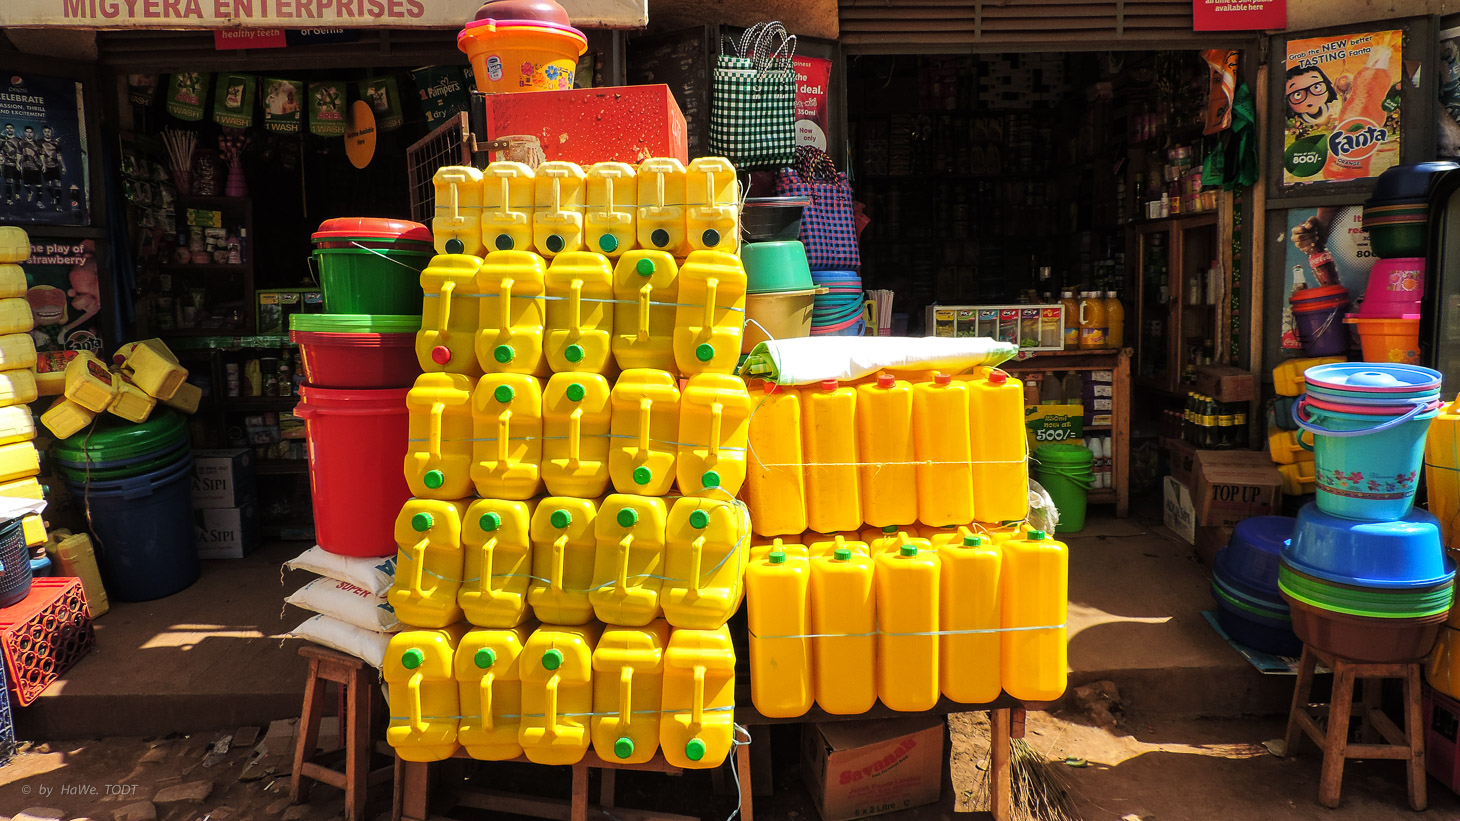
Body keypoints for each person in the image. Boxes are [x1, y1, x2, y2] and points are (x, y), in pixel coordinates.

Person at [1285, 64, 1340, 128]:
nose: (1310, 97)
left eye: (1316, 87)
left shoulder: (1335, 106)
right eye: (1298, 94)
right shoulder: (1292, 122)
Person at [39, 126, 65, 211]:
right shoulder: (40, 142)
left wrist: (63, 166)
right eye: (45, 131)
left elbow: (59, 155)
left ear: (51, 132)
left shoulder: (55, 143)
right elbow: (41, 155)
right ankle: (52, 197)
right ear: (43, 132)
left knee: (58, 184)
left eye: (48, 131)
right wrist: (43, 165)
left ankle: (59, 204)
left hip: (55, 166)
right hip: (46, 167)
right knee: (48, 184)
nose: (47, 133)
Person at [18, 126, 43, 207]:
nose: (29, 134)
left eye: (30, 132)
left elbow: (41, 154)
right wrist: (18, 163)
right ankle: (29, 192)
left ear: (33, 133)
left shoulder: (37, 143)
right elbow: (19, 154)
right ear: (25, 133)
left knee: (38, 185)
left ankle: (39, 201)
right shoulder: (21, 143)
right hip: (26, 167)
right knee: (26, 184)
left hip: (36, 167)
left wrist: (43, 164)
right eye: (27, 132)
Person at [0, 124, 20, 207]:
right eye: (7, 128)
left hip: (18, 164)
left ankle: (17, 194)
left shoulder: (18, 140)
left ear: (14, 129)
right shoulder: (2, 140)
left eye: (11, 128)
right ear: (5, 130)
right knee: (9, 181)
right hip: (7, 164)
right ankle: (9, 200)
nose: (9, 129)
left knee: (18, 181)